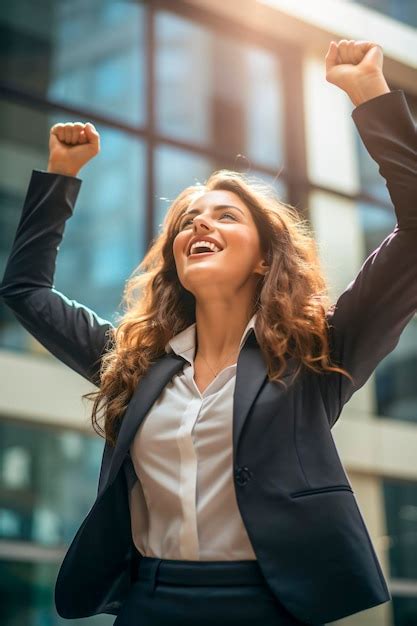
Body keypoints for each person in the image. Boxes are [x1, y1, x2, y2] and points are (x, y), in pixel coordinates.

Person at [0, 39, 415, 625]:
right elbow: (25, 292)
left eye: (226, 215)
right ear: (176, 261)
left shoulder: (317, 354)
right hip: (148, 602)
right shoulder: (135, 364)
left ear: (265, 259)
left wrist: (369, 94)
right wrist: (61, 177)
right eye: (188, 220)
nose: (200, 222)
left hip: (267, 605)